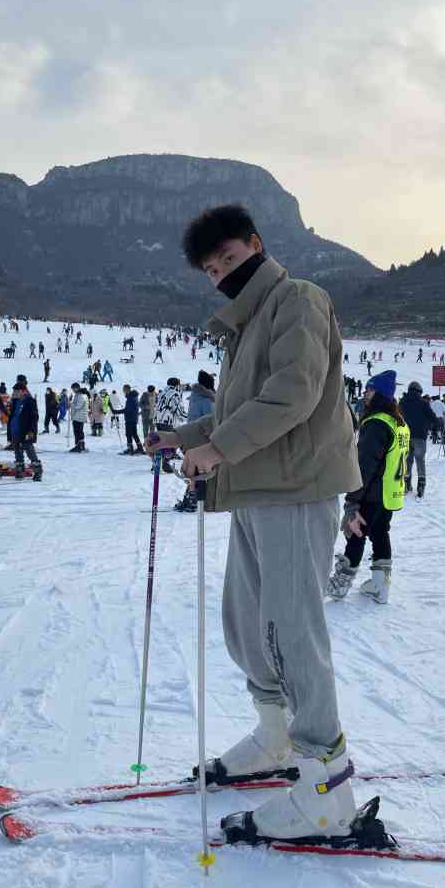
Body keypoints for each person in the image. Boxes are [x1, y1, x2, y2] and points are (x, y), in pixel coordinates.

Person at [146, 204, 361, 843]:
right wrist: (183, 436)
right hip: (254, 488)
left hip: (296, 489)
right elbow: (237, 411)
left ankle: (325, 784)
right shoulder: (243, 327)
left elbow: (293, 393)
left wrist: (216, 451)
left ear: (256, 247)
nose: (221, 276)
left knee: (291, 632)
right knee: (246, 625)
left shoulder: (299, 299)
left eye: (230, 261)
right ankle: (275, 739)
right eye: (212, 270)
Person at [327, 370, 409, 603]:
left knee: (356, 533)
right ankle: (380, 585)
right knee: (380, 533)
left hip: (372, 492)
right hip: (389, 493)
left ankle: (340, 584)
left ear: (381, 394)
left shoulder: (375, 423)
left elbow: (363, 466)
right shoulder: (398, 422)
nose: (365, 393)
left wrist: (353, 500)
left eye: (370, 389)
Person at [175, 372, 217, 511]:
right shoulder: (206, 400)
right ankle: (193, 499)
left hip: (191, 437)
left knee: (195, 471)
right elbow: (211, 421)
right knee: (199, 472)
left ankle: (191, 498)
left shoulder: (195, 397)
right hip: (201, 439)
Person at [399, 380, 437, 498]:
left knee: (407, 460)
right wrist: (437, 423)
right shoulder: (424, 403)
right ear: (419, 391)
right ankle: (421, 484)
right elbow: (432, 417)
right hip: (420, 436)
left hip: (405, 436)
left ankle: (406, 483)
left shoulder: (402, 402)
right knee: (420, 460)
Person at [9, 383, 42, 481]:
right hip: (15, 429)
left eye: (17, 391)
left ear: (24, 391)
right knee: (17, 450)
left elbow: (34, 417)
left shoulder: (30, 401)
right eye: (14, 391)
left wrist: (31, 430)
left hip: (26, 430)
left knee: (29, 450)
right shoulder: (15, 401)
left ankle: (38, 471)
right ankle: (20, 470)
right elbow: (13, 415)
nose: (15, 393)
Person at [154, 378, 186, 473]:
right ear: (176, 385)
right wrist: (188, 416)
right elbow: (178, 410)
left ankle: (156, 464)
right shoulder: (174, 394)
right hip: (167, 420)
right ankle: (165, 465)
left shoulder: (162, 392)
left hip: (158, 419)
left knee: (161, 443)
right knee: (170, 442)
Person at [120, 384, 144, 455]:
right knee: (134, 433)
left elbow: (128, 409)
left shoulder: (131, 398)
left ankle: (130, 449)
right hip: (133, 418)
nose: (123, 392)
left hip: (130, 419)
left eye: (124, 390)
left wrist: (116, 411)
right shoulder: (133, 397)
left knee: (128, 434)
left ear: (127, 390)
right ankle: (140, 448)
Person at [69, 383, 89, 452]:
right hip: (79, 416)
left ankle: (78, 446)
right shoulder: (79, 395)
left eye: (73, 389)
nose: (73, 390)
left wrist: (71, 404)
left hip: (79, 416)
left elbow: (78, 406)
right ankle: (80, 445)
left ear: (77, 388)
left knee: (77, 431)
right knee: (79, 431)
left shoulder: (81, 395)